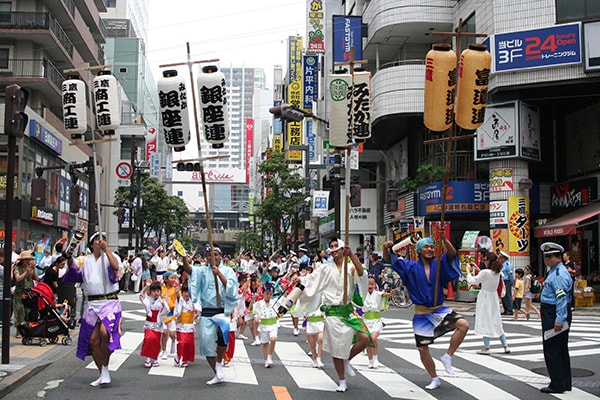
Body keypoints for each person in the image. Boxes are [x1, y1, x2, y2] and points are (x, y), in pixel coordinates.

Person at [383, 236, 469, 391]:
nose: (429, 249)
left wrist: (443, 239)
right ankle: (434, 378)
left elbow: (452, 253)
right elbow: (391, 259)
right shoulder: (409, 267)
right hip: (422, 313)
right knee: (423, 349)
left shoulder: (439, 264)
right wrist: (386, 247)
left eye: (431, 247)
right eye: (426, 247)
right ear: (418, 251)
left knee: (463, 325)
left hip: (439, 309)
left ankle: (448, 356)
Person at [297, 238, 371, 393]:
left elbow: (361, 273)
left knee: (365, 338)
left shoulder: (350, 266)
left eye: (337, 246)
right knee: (337, 349)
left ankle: (347, 360)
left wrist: (352, 256)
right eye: (331, 247)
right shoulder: (325, 268)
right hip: (332, 313)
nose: (334, 249)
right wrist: (300, 280)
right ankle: (342, 380)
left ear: (343, 248)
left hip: (348, 311)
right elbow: (312, 279)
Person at [61, 231, 122, 387]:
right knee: (93, 340)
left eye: (103, 239)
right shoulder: (84, 260)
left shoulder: (111, 257)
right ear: (91, 243)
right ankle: (102, 372)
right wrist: (70, 251)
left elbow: (116, 268)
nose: (100, 242)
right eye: (97, 239)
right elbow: (71, 266)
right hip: (91, 304)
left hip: (109, 302)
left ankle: (106, 368)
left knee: (105, 333)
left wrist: (107, 250)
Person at [182, 245, 239, 385]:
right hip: (207, 311)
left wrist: (219, 274)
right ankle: (217, 370)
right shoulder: (202, 270)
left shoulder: (228, 270)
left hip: (222, 311)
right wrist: (184, 257)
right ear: (206, 257)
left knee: (222, 337)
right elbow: (189, 269)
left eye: (215, 254)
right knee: (206, 345)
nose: (212, 257)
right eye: (209, 255)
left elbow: (232, 289)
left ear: (221, 256)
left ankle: (219, 362)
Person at [539, 242, 573, 394]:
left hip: (554, 312)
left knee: (552, 349)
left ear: (559, 257)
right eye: (546, 257)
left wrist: (559, 319)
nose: (547, 260)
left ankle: (557, 384)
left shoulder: (558, 274)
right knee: (560, 348)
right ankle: (564, 382)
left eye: (550, 257)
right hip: (552, 311)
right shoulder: (555, 270)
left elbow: (561, 298)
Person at [466, 257, 510, 354]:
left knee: (485, 320)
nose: (484, 261)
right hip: (494, 297)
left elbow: (474, 281)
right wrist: (478, 269)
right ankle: (505, 346)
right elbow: (486, 275)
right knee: (496, 320)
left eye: (486, 259)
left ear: (489, 261)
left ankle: (487, 347)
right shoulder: (498, 272)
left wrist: (468, 271)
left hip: (484, 297)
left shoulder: (485, 272)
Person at [363, 275, 396, 368]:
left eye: (372, 284)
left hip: (376, 320)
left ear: (375, 285)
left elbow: (384, 294)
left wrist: (390, 294)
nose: (370, 286)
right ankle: (370, 360)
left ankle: (375, 358)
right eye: (368, 284)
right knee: (367, 340)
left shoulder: (377, 294)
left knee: (373, 338)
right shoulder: (362, 294)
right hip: (366, 320)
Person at [139, 279, 168, 368]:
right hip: (149, 323)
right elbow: (141, 296)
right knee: (148, 339)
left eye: (158, 291)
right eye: (154, 291)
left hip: (158, 325)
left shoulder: (162, 301)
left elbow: (166, 311)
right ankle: (147, 358)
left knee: (156, 342)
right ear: (150, 292)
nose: (156, 293)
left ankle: (155, 358)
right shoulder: (147, 300)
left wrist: (163, 304)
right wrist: (146, 287)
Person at [12, 250, 40, 337]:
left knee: (28, 311)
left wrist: (33, 269)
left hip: (29, 293)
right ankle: (18, 330)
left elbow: (37, 278)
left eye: (29, 259)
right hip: (19, 292)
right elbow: (17, 278)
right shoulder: (18, 268)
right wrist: (26, 272)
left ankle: (27, 329)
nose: (28, 261)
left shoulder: (30, 268)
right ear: (22, 260)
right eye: (26, 259)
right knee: (19, 310)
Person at [252, 282, 279, 368]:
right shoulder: (259, 304)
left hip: (273, 324)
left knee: (273, 339)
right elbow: (255, 312)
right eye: (267, 294)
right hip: (264, 325)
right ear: (263, 293)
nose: (268, 296)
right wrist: (256, 317)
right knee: (265, 344)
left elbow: (283, 307)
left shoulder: (275, 302)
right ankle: (266, 360)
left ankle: (270, 356)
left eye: (270, 294)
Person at [173, 282, 198, 368]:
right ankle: (178, 356)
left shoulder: (193, 301)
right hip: (181, 325)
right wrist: (177, 295)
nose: (186, 294)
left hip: (190, 325)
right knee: (182, 342)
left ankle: (185, 359)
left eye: (188, 292)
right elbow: (177, 311)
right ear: (182, 292)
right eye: (185, 292)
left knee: (188, 343)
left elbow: (197, 311)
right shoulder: (180, 301)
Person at [160, 271, 179, 359]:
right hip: (162, 313)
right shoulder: (161, 289)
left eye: (174, 278)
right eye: (171, 278)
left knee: (172, 334)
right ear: (165, 279)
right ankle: (164, 351)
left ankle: (173, 343)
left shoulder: (175, 289)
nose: (173, 280)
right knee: (164, 332)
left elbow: (179, 301)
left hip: (171, 313)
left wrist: (178, 293)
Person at [499, 251, 514, 315]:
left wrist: (511, 282)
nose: (500, 259)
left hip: (507, 281)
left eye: (501, 257)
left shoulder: (508, 265)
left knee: (507, 295)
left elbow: (510, 274)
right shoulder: (502, 264)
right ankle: (505, 309)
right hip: (502, 280)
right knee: (503, 295)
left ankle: (509, 310)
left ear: (504, 258)